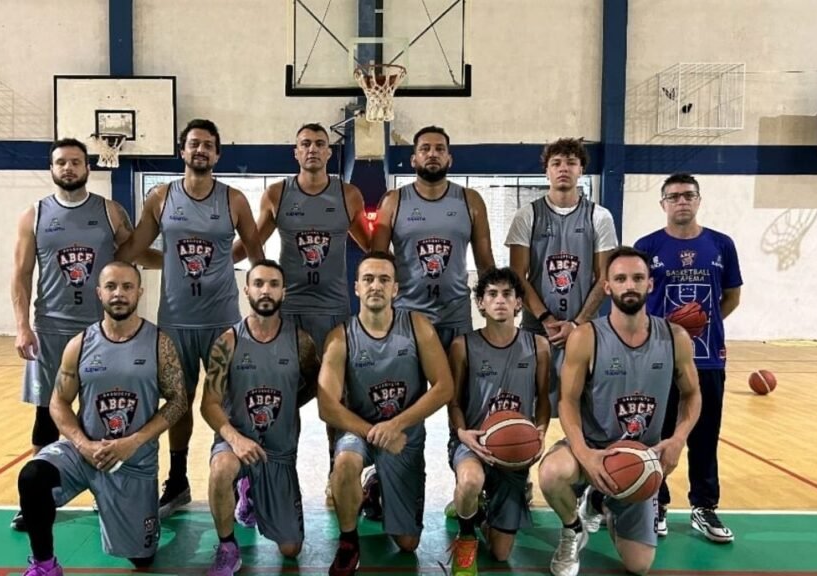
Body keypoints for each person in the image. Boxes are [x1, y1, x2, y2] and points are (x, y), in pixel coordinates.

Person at [116, 119, 264, 517]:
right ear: (182, 151)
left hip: (222, 322)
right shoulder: (161, 198)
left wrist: (263, 296)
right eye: (194, 144)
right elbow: (133, 249)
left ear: (217, 154)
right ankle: (178, 479)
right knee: (178, 402)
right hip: (177, 321)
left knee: (230, 404)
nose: (200, 150)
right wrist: (114, 236)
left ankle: (241, 481)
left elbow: (256, 253)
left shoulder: (233, 200)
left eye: (208, 145)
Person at [15, 261, 189, 576]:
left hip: (132, 460)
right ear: (99, 293)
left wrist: (133, 442)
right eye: (111, 287)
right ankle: (44, 565)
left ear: (140, 291)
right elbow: (58, 402)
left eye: (126, 287)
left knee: (141, 559)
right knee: (33, 477)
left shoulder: (159, 343)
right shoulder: (80, 344)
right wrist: (82, 445)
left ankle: (128, 515)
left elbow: (178, 401)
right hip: (84, 453)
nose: (119, 294)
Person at [537, 247, 701, 576]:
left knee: (639, 566)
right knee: (552, 473)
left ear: (649, 285)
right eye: (621, 278)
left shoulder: (675, 337)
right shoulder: (586, 337)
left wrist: (678, 438)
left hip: (639, 458)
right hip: (594, 448)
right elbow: (567, 401)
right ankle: (573, 528)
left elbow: (692, 394)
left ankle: (600, 504)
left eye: (638, 278)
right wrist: (584, 453)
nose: (630, 285)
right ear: (607, 287)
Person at [232, 123, 370, 498]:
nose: (312, 149)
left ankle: (335, 475)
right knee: (278, 395)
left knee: (336, 396)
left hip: (334, 312)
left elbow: (372, 246)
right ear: (295, 152)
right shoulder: (277, 194)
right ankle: (265, 477)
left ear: (329, 153)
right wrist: (228, 265)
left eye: (319, 144)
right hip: (288, 313)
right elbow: (252, 243)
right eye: (305, 144)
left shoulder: (349, 195)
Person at [11, 138, 136, 530]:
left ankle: (109, 491)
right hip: (50, 328)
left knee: (108, 412)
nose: (68, 168)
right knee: (47, 415)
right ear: (51, 168)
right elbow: (21, 274)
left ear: (87, 167)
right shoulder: (34, 215)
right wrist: (21, 326)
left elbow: (131, 262)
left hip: (102, 330)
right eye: (61, 162)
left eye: (75, 162)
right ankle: (34, 499)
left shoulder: (110, 212)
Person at [317, 251, 454, 576]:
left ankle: (377, 486)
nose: (375, 285)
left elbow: (444, 387)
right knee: (346, 461)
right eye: (368, 279)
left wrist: (397, 425)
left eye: (383, 279)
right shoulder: (340, 337)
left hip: (404, 434)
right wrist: (374, 432)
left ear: (395, 289)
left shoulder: (417, 327)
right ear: (356, 288)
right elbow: (326, 406)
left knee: (407, 543)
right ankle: (349, 542)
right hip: (359, 428)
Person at [632, 173, 742, 542]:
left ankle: (704, 506)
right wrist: (671, 337)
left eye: (688, 195)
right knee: (658, 433)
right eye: (674, 196)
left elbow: (731, 297)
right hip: (659, 358)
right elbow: (638, 300)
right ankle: (657, 502)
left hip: (708, 358)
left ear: (698, 200)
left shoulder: (721, 245)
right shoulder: (646, 246)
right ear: (662, 203)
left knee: (705, 434)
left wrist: (694, 328)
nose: (681, 201)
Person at [198, 260, 321, 576]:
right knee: (221, 469)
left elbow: (315, 384)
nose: (265, 290)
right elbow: (209, 404)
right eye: (259, 283)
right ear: (247, 289)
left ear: (284, 292)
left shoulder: (301, 341)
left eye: (273, 284)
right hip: (236, 442)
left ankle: (250, 490)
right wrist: (236, 440)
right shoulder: (228, 342)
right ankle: (227, 547)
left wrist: (290, 404)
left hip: (278, 452)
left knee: (291, 549)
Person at [446, 267, 551, 575]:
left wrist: (541, 430)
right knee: (470, 480)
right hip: (473, 441)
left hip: (514, 449)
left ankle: (477, 509)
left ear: (519, 303)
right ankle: (466, 535)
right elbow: (453, 402)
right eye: (492, 294)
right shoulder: (462, 346)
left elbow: (543, 398)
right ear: (480, 303)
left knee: (502, 554)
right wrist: (462, 433)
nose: (500, 300)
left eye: (508, 294)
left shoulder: (538, 346)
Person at [506, 138, 618, 412]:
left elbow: (604, 278)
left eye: (571, 162)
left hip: (584, 329)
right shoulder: (527, 215)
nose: (563, 168)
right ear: (547, 172)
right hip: (537, 329)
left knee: (584, 411)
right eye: (556, 163)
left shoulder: (599, 217)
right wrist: (546, 318)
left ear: (581, 170)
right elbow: (517, 275)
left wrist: (578, 323)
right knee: (531, 411)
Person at [371, 125, 495, 349]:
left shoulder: (471, 200)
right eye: (425, 149)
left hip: (455, 314)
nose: (432, 154)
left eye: (440, 149)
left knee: (457, 384)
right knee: (406, 385)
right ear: (413, 159)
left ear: (449, 158)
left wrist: (493, 309)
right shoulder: (393, 201)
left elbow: (486, 264)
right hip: (406, 313)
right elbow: (377, 264)